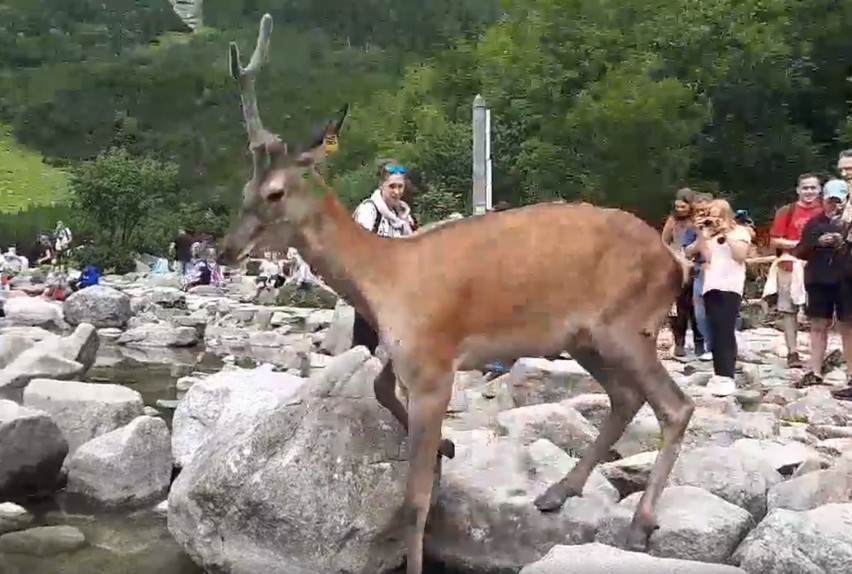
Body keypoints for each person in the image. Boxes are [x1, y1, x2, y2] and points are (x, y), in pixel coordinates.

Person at [351, 161, 416, 354]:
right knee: (366, 347)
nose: (396, 192)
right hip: (370, 290)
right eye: (392, 186)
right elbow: (360, 248)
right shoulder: (369, 212)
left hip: (397, 290)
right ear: (382, 186)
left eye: (400, 186)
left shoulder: (405, 217)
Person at [792, 179, 851, 387]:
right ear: (823, 199)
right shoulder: (815, 222)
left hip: (846, 278)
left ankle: (851, 375)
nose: (834, 205)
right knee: (817, 324)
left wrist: (842, 242)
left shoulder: (848, 223)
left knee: (848, 325)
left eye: (838, 201)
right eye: (830, 200)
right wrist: (818, 243)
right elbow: (799, 251)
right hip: (818, 278)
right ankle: (814, 370)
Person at [692, 199, 753, 378]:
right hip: (711, 285)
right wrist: (701, 233)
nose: (713, 218)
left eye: (717, 214)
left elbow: (740, 256)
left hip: (730, 286)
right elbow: (706, 257)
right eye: (711, 214)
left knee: (725, 329)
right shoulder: (710, 236)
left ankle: (728, 375)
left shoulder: (740, 232)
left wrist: (726, 235)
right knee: (714, 330)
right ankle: (719, 373)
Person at [768, 173, 823, 367]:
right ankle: (792, 353)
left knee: (818, 312)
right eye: (805, 188)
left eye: (813, 188)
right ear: (798, 190)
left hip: (819, 267)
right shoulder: (787, 211)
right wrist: (800, 244)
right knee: (788, 310)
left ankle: (816, 355)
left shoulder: (825, 211)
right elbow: (774, 239)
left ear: (819, 190)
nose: (809, 192)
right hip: (789, 265)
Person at [663, 188, 706, 358]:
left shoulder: (698, 221)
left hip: (697, 263)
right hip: (677, 264)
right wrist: (675, 253)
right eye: (678, 207)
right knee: (679, 307)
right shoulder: (673, 220)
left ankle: (699, 343)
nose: (680, 210)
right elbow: (664, 241)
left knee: (697, 307)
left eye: (683, 207)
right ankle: (679, 342)